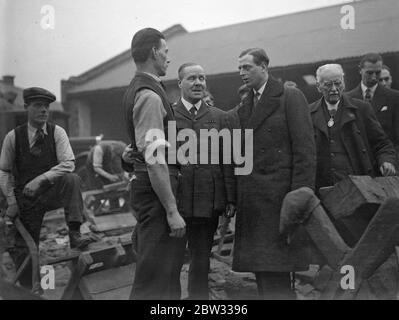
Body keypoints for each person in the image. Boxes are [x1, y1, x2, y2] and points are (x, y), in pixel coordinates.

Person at [229, 48, 316, 299]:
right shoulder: (245, 105)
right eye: (240, 69)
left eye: (248, 67)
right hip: (253, 202)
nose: (242, 73)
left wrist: (300, 195)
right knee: (262, 273)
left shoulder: (290, 96)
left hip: (280, 200)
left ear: (264, 66)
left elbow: (305, 150)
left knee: (278, 274)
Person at [0, 87, 93, 290]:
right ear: (26, 108)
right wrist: (12, 202)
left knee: (72, 179)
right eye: (37, 105)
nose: (43, 110)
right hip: (25, 199)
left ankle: (75, 233)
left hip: (50, 192)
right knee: (26, 248)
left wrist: (40, 179)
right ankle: (34, 288)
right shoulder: (12, 137)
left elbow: (68, 163)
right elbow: (4, 171)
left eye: (46, 106)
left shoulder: (57, 132)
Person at [122, 28, 186, 300]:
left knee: (167, 273)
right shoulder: (149, 95)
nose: (168, 59)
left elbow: (142, 146)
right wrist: (171, 210)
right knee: (153, 278)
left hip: (154, 189)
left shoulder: (143, 89)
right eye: (166, 52)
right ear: (153, 53)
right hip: (157, 193)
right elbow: (155, 158)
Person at [173, 63, 236, 299]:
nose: (198, 82)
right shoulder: (167, 114)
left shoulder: (220, 117)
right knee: (173, 259)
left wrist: (230, 198)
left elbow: (228, 160)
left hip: (207, 202)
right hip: (175, 202)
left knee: (201, 258)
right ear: (180, 83)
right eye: (191, 78)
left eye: (202, 78)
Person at [310, 64, 396, 192]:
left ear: (343, 84)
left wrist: (386, 161)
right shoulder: (309, 113)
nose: (334, 89)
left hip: (361, 186)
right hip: (325, 189)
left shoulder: (361, 109)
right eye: (328, 85)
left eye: (338, 83)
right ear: (318, 86)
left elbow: (382, 144)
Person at [347, 53, 399, 155]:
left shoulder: (394, 97)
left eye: (377, 72)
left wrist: (391, 162)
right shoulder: (348, 99)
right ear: (360, 70)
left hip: (389, 161)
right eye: (369, 73)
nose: (374, 77)